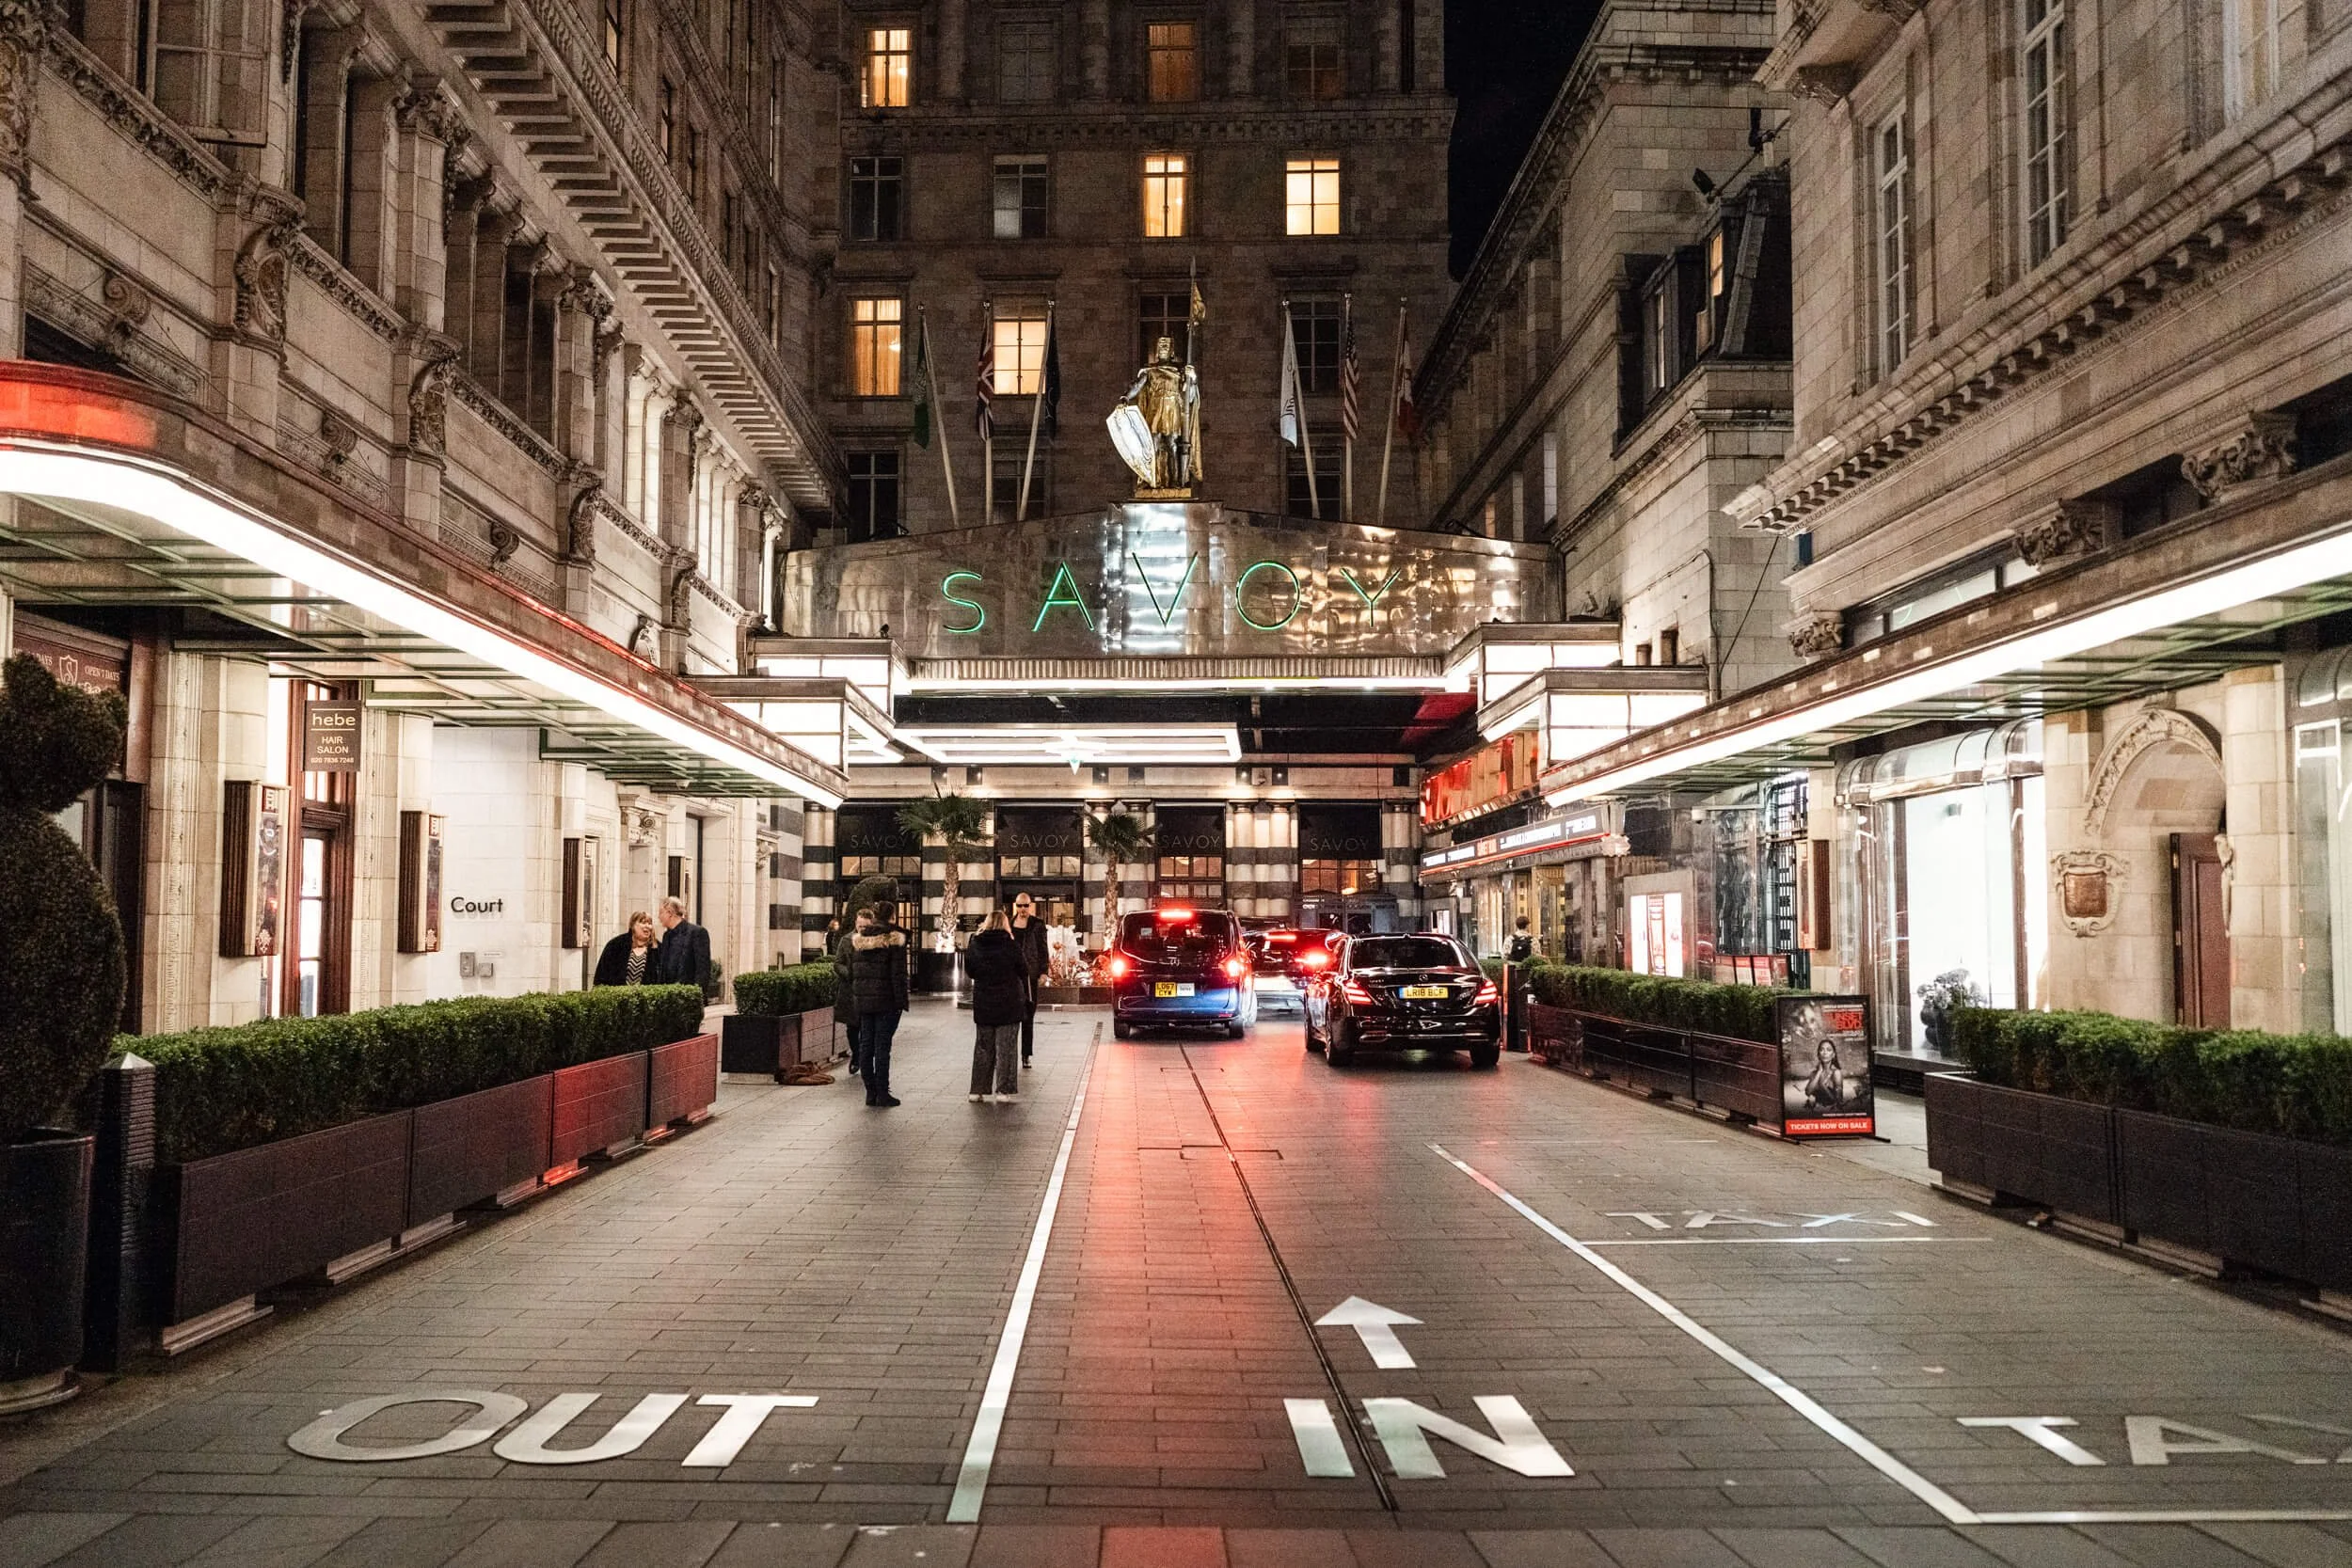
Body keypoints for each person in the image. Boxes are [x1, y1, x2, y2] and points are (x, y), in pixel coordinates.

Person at [850, 902, 910, 1107]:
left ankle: (870, 1092)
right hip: (887, 1002)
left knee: (866, 1046)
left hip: (865, 1003)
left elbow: (855, 973)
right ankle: (882, 1093)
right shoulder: (894, 941)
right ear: (892, 916)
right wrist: (901, 1001)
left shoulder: (860, 941)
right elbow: (898, 975)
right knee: (882, 1047)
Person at [964, 911, 1026, 1102]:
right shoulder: (1010, 944)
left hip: (984, 1001)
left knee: (983, 1046)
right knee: (1006, 1047)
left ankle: (977, 1090)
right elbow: (1023, 969)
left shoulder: (975, 943)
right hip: (1008, 1002)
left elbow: (971, 971)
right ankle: (1003, 1091)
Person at [1009, 894, 1049, 1069]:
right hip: (1011, 976)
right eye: (1020, 906)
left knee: (1028, 1015)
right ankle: (1008, 1053)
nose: (1023, 909)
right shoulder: (1008, 924)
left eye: (1026, 906)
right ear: (1016, 906)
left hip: (1029, 976)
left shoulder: (1037, 925)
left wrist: (1043, 972)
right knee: (1009, 1016)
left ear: (1030, 906)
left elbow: (1043, 949)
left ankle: (1026, 1054)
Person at [834, 908, 870, 1080]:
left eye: (865, 926)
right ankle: (856, 1055)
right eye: (859, 925)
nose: (861, 928)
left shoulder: (875, 941)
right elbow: (838, 963)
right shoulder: (846, 940)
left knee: (867, 1028)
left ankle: (863, 1058)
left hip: (868, 992)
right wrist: (849, 974)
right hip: (850, 991)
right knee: (852, 1028)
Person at [655, 895, 715, 999]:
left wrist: (696, 997)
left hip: (688, 999)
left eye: (661, 913)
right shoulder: (666, 936)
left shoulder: (697, 933)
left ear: (669, 913)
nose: (658, 917)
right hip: (667, 998)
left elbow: (703, 970)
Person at [592, 911, 661, 987]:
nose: (648, 926)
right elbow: (601, 976)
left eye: (650, 923)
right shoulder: (616, 945)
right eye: (643, 922)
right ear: (633, 925)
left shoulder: (658, 949)